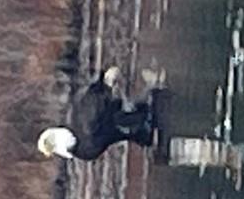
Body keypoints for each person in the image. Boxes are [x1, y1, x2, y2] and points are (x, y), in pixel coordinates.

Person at [38, 66, 166, 161]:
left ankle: (143, 132)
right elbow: (96, 105)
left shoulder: (79, 122)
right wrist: (107, 83)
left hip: (92, 140)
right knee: (116, 120)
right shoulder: (82, 116)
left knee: (118, 123)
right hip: (96, 129)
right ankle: (143, 125)